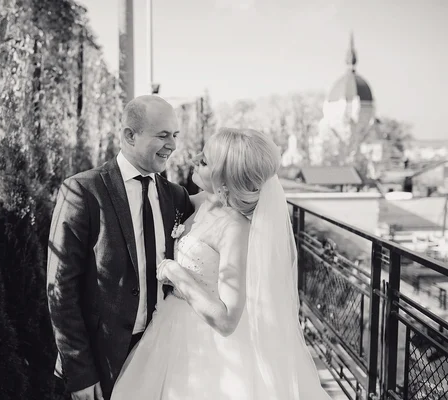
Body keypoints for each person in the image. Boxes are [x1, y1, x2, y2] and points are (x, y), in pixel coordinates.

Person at [111, 127, 333, 400]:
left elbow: (227, 320)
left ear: (225, 180)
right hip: (169, 328)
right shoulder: (204, 202)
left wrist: (177, 274)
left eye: (204, 162)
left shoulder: (234, 228)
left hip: (207, 347)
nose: (193, 161)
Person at [46, 95, 194, 400]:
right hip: (102, 363)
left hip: (162, 353)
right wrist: (81, 373)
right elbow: (60, 289)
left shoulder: (176, 196)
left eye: (175, 135)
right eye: (163, 135)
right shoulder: (83, 190)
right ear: (129, 135)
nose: (173, 145)